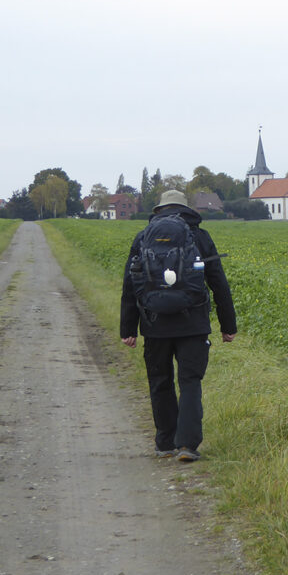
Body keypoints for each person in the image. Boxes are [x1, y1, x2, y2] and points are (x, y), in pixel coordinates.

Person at [120, 189, 237, 462]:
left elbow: (130, 285)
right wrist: (227, 325)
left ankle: (164, 443)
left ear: (159, 209)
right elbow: (218, 282)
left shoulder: (143, 237)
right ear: (186, 209)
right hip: (193, 323)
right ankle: (187, 445)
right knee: (190, 382)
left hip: (154, 324)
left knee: (160, 382)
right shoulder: (200, 237)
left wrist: (128, 329)